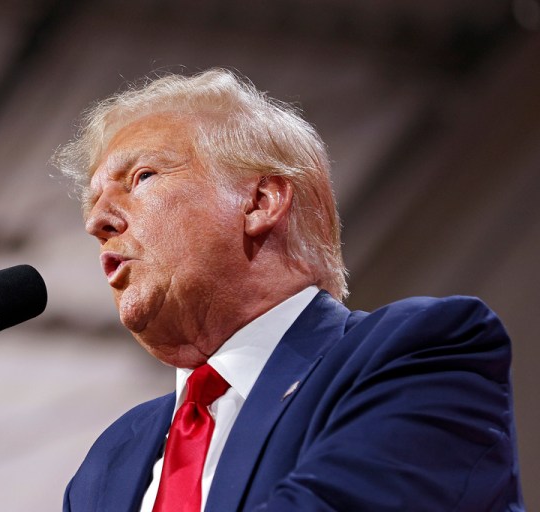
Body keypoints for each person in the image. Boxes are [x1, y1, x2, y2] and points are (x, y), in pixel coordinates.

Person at [52, 69, 524, 511]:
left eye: (142, 178)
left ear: (260, 202)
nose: (97, 222)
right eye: (93, 203)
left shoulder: (418, 354)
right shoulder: (107, 466)